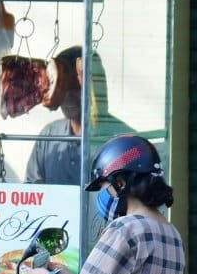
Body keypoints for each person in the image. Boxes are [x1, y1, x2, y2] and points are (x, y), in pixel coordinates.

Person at [25, 135, 185, 274]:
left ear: (120, 183)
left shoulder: (126, 229)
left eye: (102, 187)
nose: (101, 195)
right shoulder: (172, 235)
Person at [25, 47, 131, 186]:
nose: (69, 97)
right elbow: (32, 188)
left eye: (76, 88)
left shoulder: (125, 141)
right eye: (63, 90)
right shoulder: (49, 136)